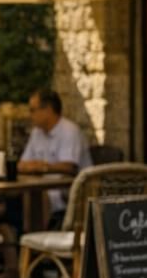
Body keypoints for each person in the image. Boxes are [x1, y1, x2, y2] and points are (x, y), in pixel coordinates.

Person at [16, 87, 92, 226]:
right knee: (12, 200)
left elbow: (69, 166)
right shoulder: (37, 133)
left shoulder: (69, 131)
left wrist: (42, 167)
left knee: (38, 198)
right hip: (41, 189)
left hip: (68, 193)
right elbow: (22, 164)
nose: (30, 115)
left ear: (48, 110)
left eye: (33, 110)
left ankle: (36, 240)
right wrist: (35, 166)